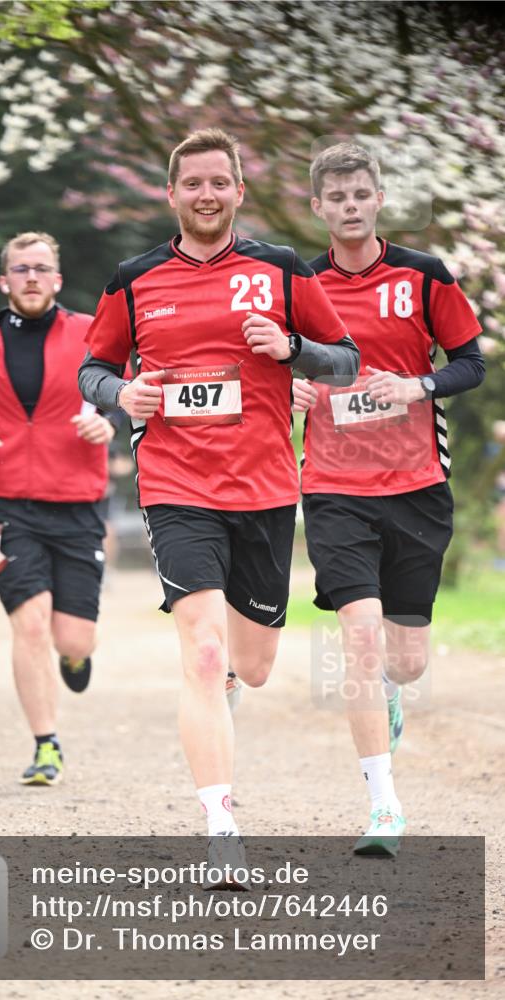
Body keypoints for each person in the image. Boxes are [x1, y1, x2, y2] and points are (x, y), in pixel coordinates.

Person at [79, 128, 359, 859]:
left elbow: (345, 364)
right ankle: (220, 824)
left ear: (238, 189)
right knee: (201, 654)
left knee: (252, 667)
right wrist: (122, 392)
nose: (205, 195)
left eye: (218, 182)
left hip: (264, 487)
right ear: (170, 194)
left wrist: (292, 349)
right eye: (191, 184)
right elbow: (95, 369)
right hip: (175, 483)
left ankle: (232, 686)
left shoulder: (280, 269)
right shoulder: (132, 278)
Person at [295, 142, 485, 854]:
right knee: (360, 636)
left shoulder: (423, 276)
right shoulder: (298, 285)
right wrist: (291, 389)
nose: (348, 206)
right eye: (335, 197)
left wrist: (418, 385)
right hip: (333, 485)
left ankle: (394, 694)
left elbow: (470, 362)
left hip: (415, 485)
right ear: (318, 208)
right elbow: (276, 364)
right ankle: (382, 806)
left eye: (359, 195)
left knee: (404, 661)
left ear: (377, 200)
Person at [0, 231, 115, 785]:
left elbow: (123, 391)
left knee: (70, 638)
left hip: (79, 502)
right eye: (21, 269)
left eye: (40, 268)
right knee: (29, 626)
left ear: (56, 280)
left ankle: (77, 658)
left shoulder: (89, 333)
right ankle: (46, 744)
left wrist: (110, 421)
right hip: (7, 505)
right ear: (4, 280)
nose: (31, 277)